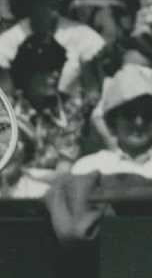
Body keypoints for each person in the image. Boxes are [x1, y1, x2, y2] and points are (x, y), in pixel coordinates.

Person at [0, 0, 105, 96]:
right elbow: (3, 96)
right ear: (31, 0)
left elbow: (93, 92)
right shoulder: (9, 41)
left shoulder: (82, 35)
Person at [7, 33, 90, 193]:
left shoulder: (71, 110)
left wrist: (29, 178)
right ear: (27, 73)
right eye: (46, 69)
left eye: (57, 68)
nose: (55, 75)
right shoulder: (7, 109)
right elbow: (1, 169)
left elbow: (64, 172)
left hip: (53, 191)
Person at [71, 64, 152, 180]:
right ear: (113, 121)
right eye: (130, 114)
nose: (139, 122)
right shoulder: (87, 168)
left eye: (147, 115)